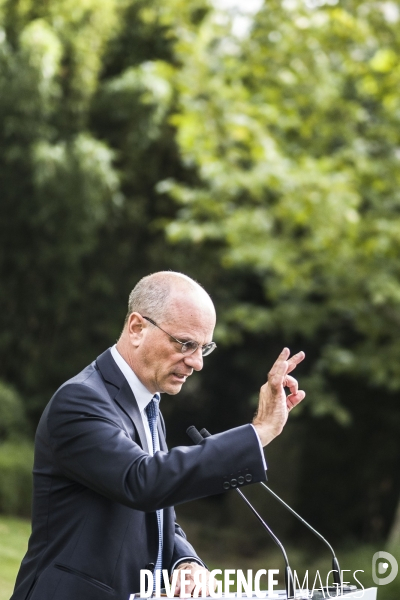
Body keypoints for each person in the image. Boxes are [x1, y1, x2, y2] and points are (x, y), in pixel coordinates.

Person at [11, 272, 305, 600]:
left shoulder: (148, 405)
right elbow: (144, 482)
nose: (196, 362)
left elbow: (158, 513)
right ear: (137, 328)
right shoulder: (80, 400)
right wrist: (259, 431)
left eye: (203, 348)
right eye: (185, 344)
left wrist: (186, 561)